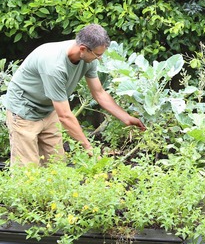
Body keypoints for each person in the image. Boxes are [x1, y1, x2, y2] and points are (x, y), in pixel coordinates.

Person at [4, 24, 146, 166]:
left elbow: (99, 93)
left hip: (48, 109)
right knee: (27, 169)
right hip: (24, 110)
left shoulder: (88, 58)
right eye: (98, 55)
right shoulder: (54, 66)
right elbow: (65, 116)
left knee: (57, 165)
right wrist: (88, 147)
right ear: (83, 49)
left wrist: (126, 118)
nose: (99, 58)